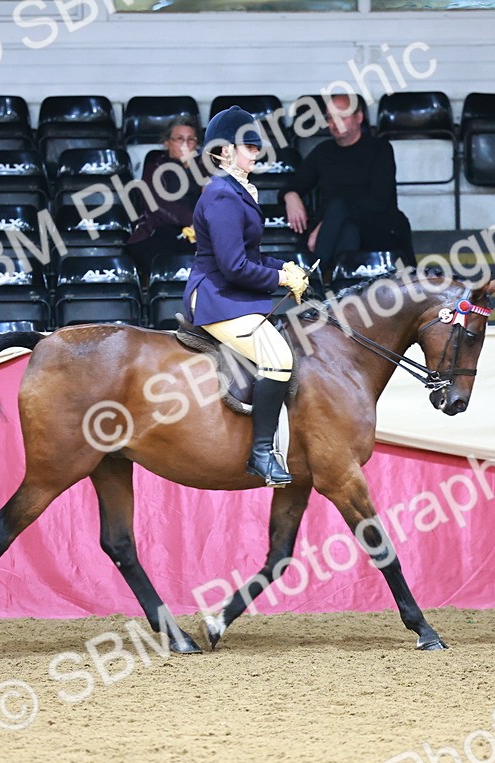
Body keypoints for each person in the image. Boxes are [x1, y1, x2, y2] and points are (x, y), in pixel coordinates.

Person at [183, 106, 310, 487]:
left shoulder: (238, 190)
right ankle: (261, 454)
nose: (256, 152)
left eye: (257, 146)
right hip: (215, 295)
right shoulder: (222, 195)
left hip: (230, 290)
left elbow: (249, 256)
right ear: (224, 151)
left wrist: (286, 268)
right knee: (278, 357)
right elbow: (234, 266)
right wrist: (279, 279)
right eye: (248, 146)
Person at [282, 94, 413, 270]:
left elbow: (379, 202)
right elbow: (294, 184)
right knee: (348, 230)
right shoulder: (323, 152)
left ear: (358, 118)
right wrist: (290, 195)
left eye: (341, 117)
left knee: (339, 209)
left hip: (379, 226)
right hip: (341, 229)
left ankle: (313, 276)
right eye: (330, 118)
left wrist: (325, 224)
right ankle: (337, 288)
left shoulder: (379, 149)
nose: (334, 123)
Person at [126, 115, 206, 273]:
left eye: (191, 139)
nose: (185, 144)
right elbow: (156, 204)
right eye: (179, 139)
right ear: (167, 143)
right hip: (160, 230)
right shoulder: (154, 168)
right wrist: (192, 221)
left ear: (196, 144)